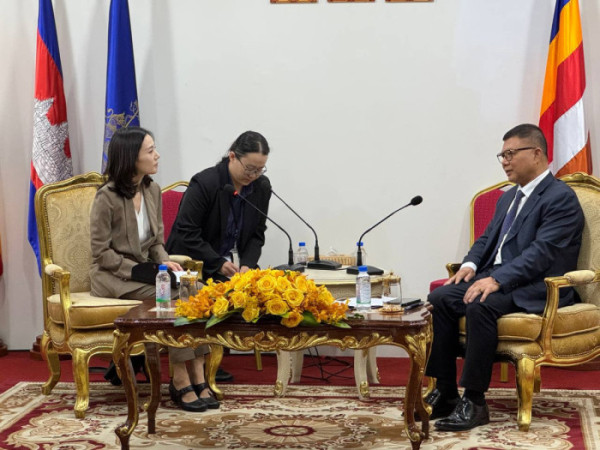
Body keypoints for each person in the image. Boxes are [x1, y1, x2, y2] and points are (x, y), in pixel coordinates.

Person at [425, 123, 584, 431]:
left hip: (538, 285)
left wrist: (497, 280)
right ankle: (445, 392)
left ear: (536, 153)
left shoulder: (560, 198)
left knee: (481, 304)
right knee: (440, 298)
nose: (505, 161)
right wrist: (470, 264)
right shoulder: (508, 198)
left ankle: (474, 401)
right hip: (499, 277)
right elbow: (487, 239)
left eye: (511, 154)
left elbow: (541, 253)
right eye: (502, 155)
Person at [90, 126, 219, 412]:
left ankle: (198, 373)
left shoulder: (152, 190)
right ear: (131, 157)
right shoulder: (106, 197)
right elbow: (100, 253)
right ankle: (181, 377)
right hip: (113, 276)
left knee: (196, 289)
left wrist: (164, 261)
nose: (157, 155)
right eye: (150, 151)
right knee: (174, 296)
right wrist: (140, 270)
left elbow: (157, 242)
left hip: (146, 271)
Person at [166, 130, 272, 382]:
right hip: (190, 262)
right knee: (214, 294)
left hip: (224, 264)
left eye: (260, 170)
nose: (253, 175)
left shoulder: (261, 187)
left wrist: (247, 264)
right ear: (232, 156)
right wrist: (218, 262)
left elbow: (257, 234)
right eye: (249, 168)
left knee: (257, 291)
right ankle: (204, 361)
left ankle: (212, 356)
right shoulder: (206, 183)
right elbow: (186, 232)